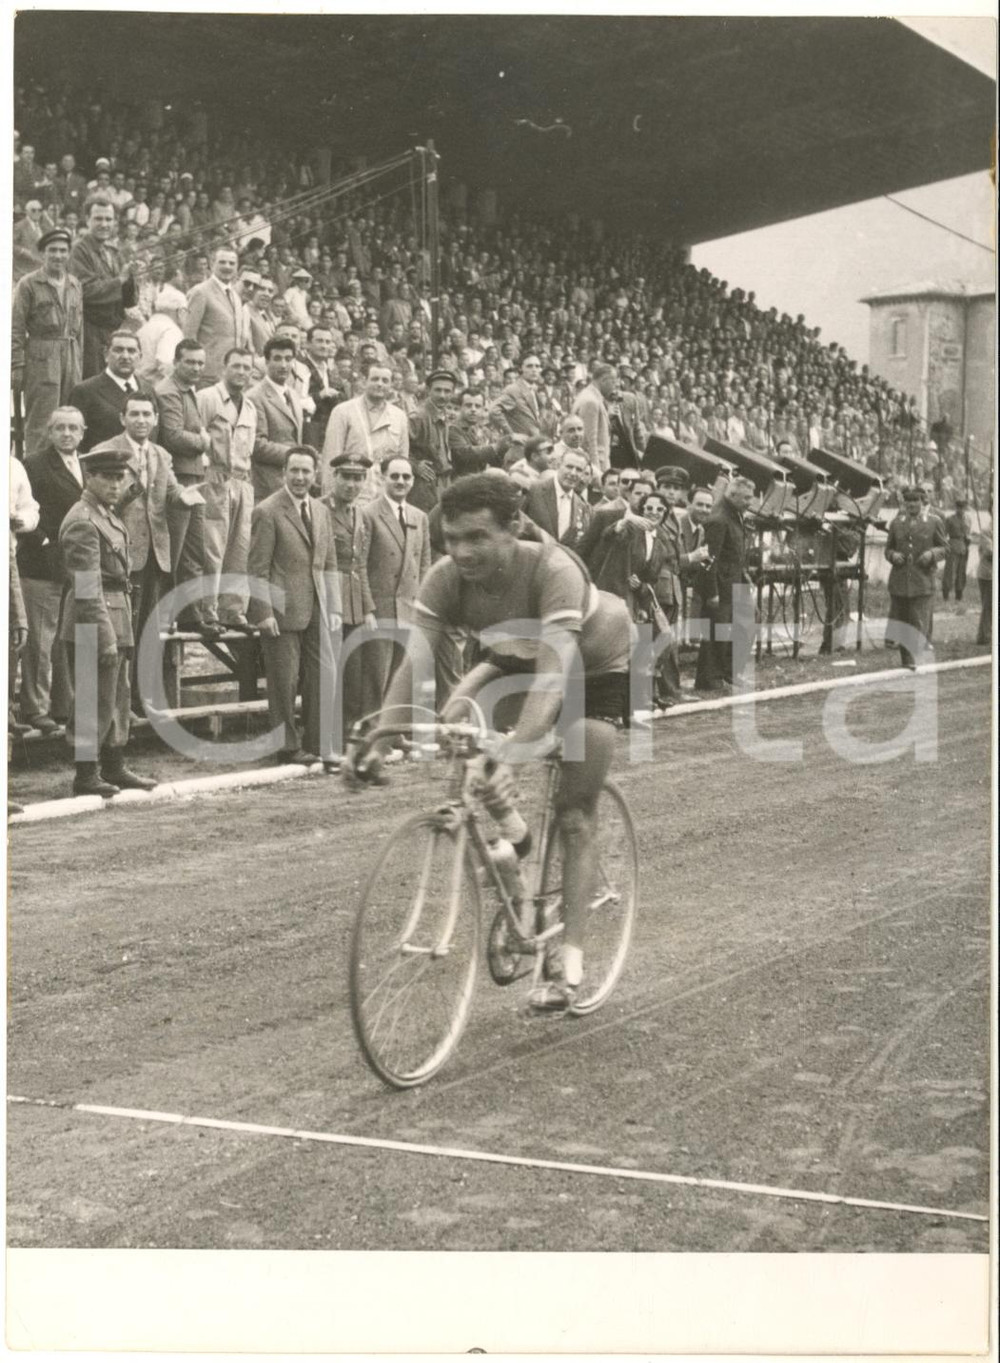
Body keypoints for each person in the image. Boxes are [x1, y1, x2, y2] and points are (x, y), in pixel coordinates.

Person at [348, 473, 633, 1014]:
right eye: (452, 539)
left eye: (477, 537)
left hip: (593, 667)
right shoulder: (444, 578)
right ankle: (518, 843)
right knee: (467, 747)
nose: (461, 552)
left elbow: (554, 677)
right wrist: (379, 741)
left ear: (515, 527)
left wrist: (517, 753)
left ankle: (568, 961)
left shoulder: (555, 570)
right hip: (513, 657)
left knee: (574, 813)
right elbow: (415, 663)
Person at [92, 393, 205, 708]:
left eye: (146, 414)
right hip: (120, 554)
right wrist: (134, 489)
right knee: (122, 631)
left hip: (156, 553)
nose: (141, 420)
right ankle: (120, 703)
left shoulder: (160, 454)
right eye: (134, 414)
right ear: (122, 418)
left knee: (149, 630)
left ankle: (143, 700)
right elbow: (100, 502)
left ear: (156, 419)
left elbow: (170, 492)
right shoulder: (106, 451)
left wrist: (183, 497)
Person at [58, 445, 157, 796]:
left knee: (116, 696)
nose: (116, 485)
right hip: (93, 620)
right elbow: (87, 588)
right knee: (92, 698)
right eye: (107, 478)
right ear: (90, 478)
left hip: (116, 612)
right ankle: (86, 775)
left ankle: (114, 766)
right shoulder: (83, 521)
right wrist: (104, 636)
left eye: (120, 478)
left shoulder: (104, 513)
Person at [247, 445, 341, 765]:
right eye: (294, 471)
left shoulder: (322, 511)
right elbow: (257, 568)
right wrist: (263, 612)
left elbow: (329, 563)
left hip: (317, 607)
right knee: (283, 681)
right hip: (281, 611)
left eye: (306, 471)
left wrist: (334, 607)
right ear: (283, 473)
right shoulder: (267, 511)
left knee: (321, 675)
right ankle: (287, 748)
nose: (300, 477)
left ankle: (318, 743)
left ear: (315, 475)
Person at [17, 407, 86, 732]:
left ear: (83, 432)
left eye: (73, 428)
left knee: (66, 639)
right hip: (42, 563)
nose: (66, 434)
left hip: (78, 563)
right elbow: (23, 509)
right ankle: (35, 708)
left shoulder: (87, 465)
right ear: (50, 431)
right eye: (60, 428)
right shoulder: (33, 465)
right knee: (40, 641)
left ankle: (63, 706)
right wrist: (45, 541)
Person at [195, 347, 258, 633]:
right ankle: (207, 609)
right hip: (215, 479)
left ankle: (233, 610)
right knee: (213, 547)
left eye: (247, 367)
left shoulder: (251, 407)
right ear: (224, 367)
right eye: (236, 366)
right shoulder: (207, 398)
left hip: (242, 482)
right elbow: (197, 439)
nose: (241, 372)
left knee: (240, 549)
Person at [361, 456, 432, 706]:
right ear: (382, 478)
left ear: (413, 481)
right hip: (381, 608)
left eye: (406, 477)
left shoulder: (419, 517)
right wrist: (367, 608)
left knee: (401, 677)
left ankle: (394, 725)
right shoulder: (369, 514)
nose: (401, 482)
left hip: (409, 608)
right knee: (375, 677)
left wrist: (421, 606)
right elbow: (360, 565)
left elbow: (424, 565)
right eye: (394, 476)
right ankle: (371, 725)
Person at [11, 227, 84, 457]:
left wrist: (79, 361)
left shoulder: (75, 284)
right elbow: (15, 327)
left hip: (71, 356)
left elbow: (79, 328)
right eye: (52, 250)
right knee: (42, 421)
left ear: (68, 254)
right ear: (43, 253)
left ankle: (64, 470)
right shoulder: (29, 284)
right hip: (41, 358)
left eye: (63, 251)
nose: (58, 256)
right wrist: (17, 365)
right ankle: (35, 472)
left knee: (69, 418)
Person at [155, 339, 213, 628]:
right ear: (176, 362)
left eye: (200, 363)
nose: (196, 368)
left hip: (194, 476)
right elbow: (173, 436)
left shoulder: (189, 390)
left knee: (193, 549)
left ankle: (191, 614)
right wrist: (203, 442)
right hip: (177, 478)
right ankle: (168, 614)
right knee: (176, 551)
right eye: (190, 362)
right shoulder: (168, 391)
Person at [322, 453, 378, 742]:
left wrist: (367, 607)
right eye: (346, 477)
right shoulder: (320, 509)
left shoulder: (360, 514)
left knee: (353, 672)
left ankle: (349, 732)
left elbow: (361, 565)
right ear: (335, 477)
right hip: (328, 600)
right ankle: (328, 732)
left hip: (354, 603)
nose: (352, 484)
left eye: (358, 478)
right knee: (328, 671)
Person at [694, 475, 755, 692]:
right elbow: (709, 560)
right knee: (716, 634)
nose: (750, 502)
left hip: (734, 583)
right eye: (746, 498)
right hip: (721, 587)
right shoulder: (719, 519)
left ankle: (729, 673)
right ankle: (709, 680)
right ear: (733, 495)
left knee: (745, 625)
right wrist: (712, 592)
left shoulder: (734, 514)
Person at [67, 197, 138, 378]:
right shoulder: (78, 250)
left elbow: (129, 301)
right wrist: (120, 280)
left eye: (108, 219)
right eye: (98, 218)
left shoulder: (113, 252)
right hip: (89, 334)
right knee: (92, 384)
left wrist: (131, 277)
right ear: (87, 220)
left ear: (115, 222)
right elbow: (84, 291)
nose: (104, 224)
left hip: (112, 333)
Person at [321, 360, 410, 499]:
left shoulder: (399, 416)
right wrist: (330, 499)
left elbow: (403, 462)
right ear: (364, 381)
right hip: (352, 495)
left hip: (385, 497)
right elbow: (331, 459)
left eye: (385, 380)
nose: (380, 384)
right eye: (375, 379)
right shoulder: (343, 411)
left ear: (391, 385)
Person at [883, 485, 948, 670]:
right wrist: (893, 555)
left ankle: (915, 658)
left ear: (922, 502)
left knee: (918, 622)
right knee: (903, 622)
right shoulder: (896, 523)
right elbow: (888, 549)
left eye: (915, 501)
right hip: (900, 581)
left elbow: (945, 548)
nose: (911, 505)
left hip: (922, 581)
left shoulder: (934, 522)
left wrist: (931, 554)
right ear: (904, 503)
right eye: (908, 501)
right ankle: (907, 661)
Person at [68, 330, 157, 452]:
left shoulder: (148, 390)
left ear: (140, 357)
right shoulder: (85, 391)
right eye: (118, 350)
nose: (125, 356)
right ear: (106, 354)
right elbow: (74, 442)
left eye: (131, 351)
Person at [247, 336, 305, 502]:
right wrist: (295, 454)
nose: (284, 365)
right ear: (266, 362)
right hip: (267, 485)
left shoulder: (293, 394)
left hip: (292, 483)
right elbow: (256, 445)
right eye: (277, 359)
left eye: (288, 359)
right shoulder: (255, 396)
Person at [183, 245, 252, 383]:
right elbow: (189, 336)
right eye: (222, 262)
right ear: (212, 263)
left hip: (233, 375)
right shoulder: (201, 292)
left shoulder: (235, 296)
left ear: (237, 267)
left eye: (232, 263)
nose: (227, 267)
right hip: (208, 375)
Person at [523, 447, 592, 551]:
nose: (573, 473)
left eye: (579, 470)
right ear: (558, 465)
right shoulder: (534, 490)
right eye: (569, 467)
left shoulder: (582, 507)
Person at [408, 368, 457, 512]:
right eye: (438, 390)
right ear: (429, 390)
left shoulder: (444, 413)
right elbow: (398, 448)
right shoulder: (418, 417)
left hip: (443, 482)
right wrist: (415, 465)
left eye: (447, 391)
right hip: (423, 485)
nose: (442, 395)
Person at [449, 385, 510, 476]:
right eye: (468, 405)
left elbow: (494, 460)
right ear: (460, 407)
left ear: (482, 409)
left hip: (479, 478)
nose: (473, 409)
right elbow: (465, 453)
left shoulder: (485, 431)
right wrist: (497, 446)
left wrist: (505, 449)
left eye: (477, 406)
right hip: (460, 480)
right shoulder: (453, 429)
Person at [135, 283, 188, 385]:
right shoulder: (171, 330)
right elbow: (166, 364)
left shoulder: (146, 327)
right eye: (186, 311)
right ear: (180, 312)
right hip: (156, 387)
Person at [572, 362, 616, 473]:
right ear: (604, 380)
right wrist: (596, 472)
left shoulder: (590, 396)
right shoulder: (591, 401)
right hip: (596, 466)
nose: (614, 386)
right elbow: (589, 442)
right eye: (613, 382)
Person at [491, 352, 544, 439]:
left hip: (534, 440)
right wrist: (511, 434)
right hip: (521, 442)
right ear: (520, 369)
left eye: (537, 366)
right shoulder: (513, 389)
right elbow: (493, 411)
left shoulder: (534, 389)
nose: (534, 370)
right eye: (529, 366)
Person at [942, 496, 972, 605]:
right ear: (956, 507)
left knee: (961, 572)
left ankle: (959, 596)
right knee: (949, 572)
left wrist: (969, 539)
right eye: (959, 507)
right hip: (952, 546)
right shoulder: (950, 519)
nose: (961, 510)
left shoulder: (968, 519)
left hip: (964, 547)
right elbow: (943, 535)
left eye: (963, 507)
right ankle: (946, 595)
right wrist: (946, 546)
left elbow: (968, 532)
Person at [975, 525, 992, 648]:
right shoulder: (986, 532)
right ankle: (983, 636)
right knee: (988, 606)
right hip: (987, 575)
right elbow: (990, 552)